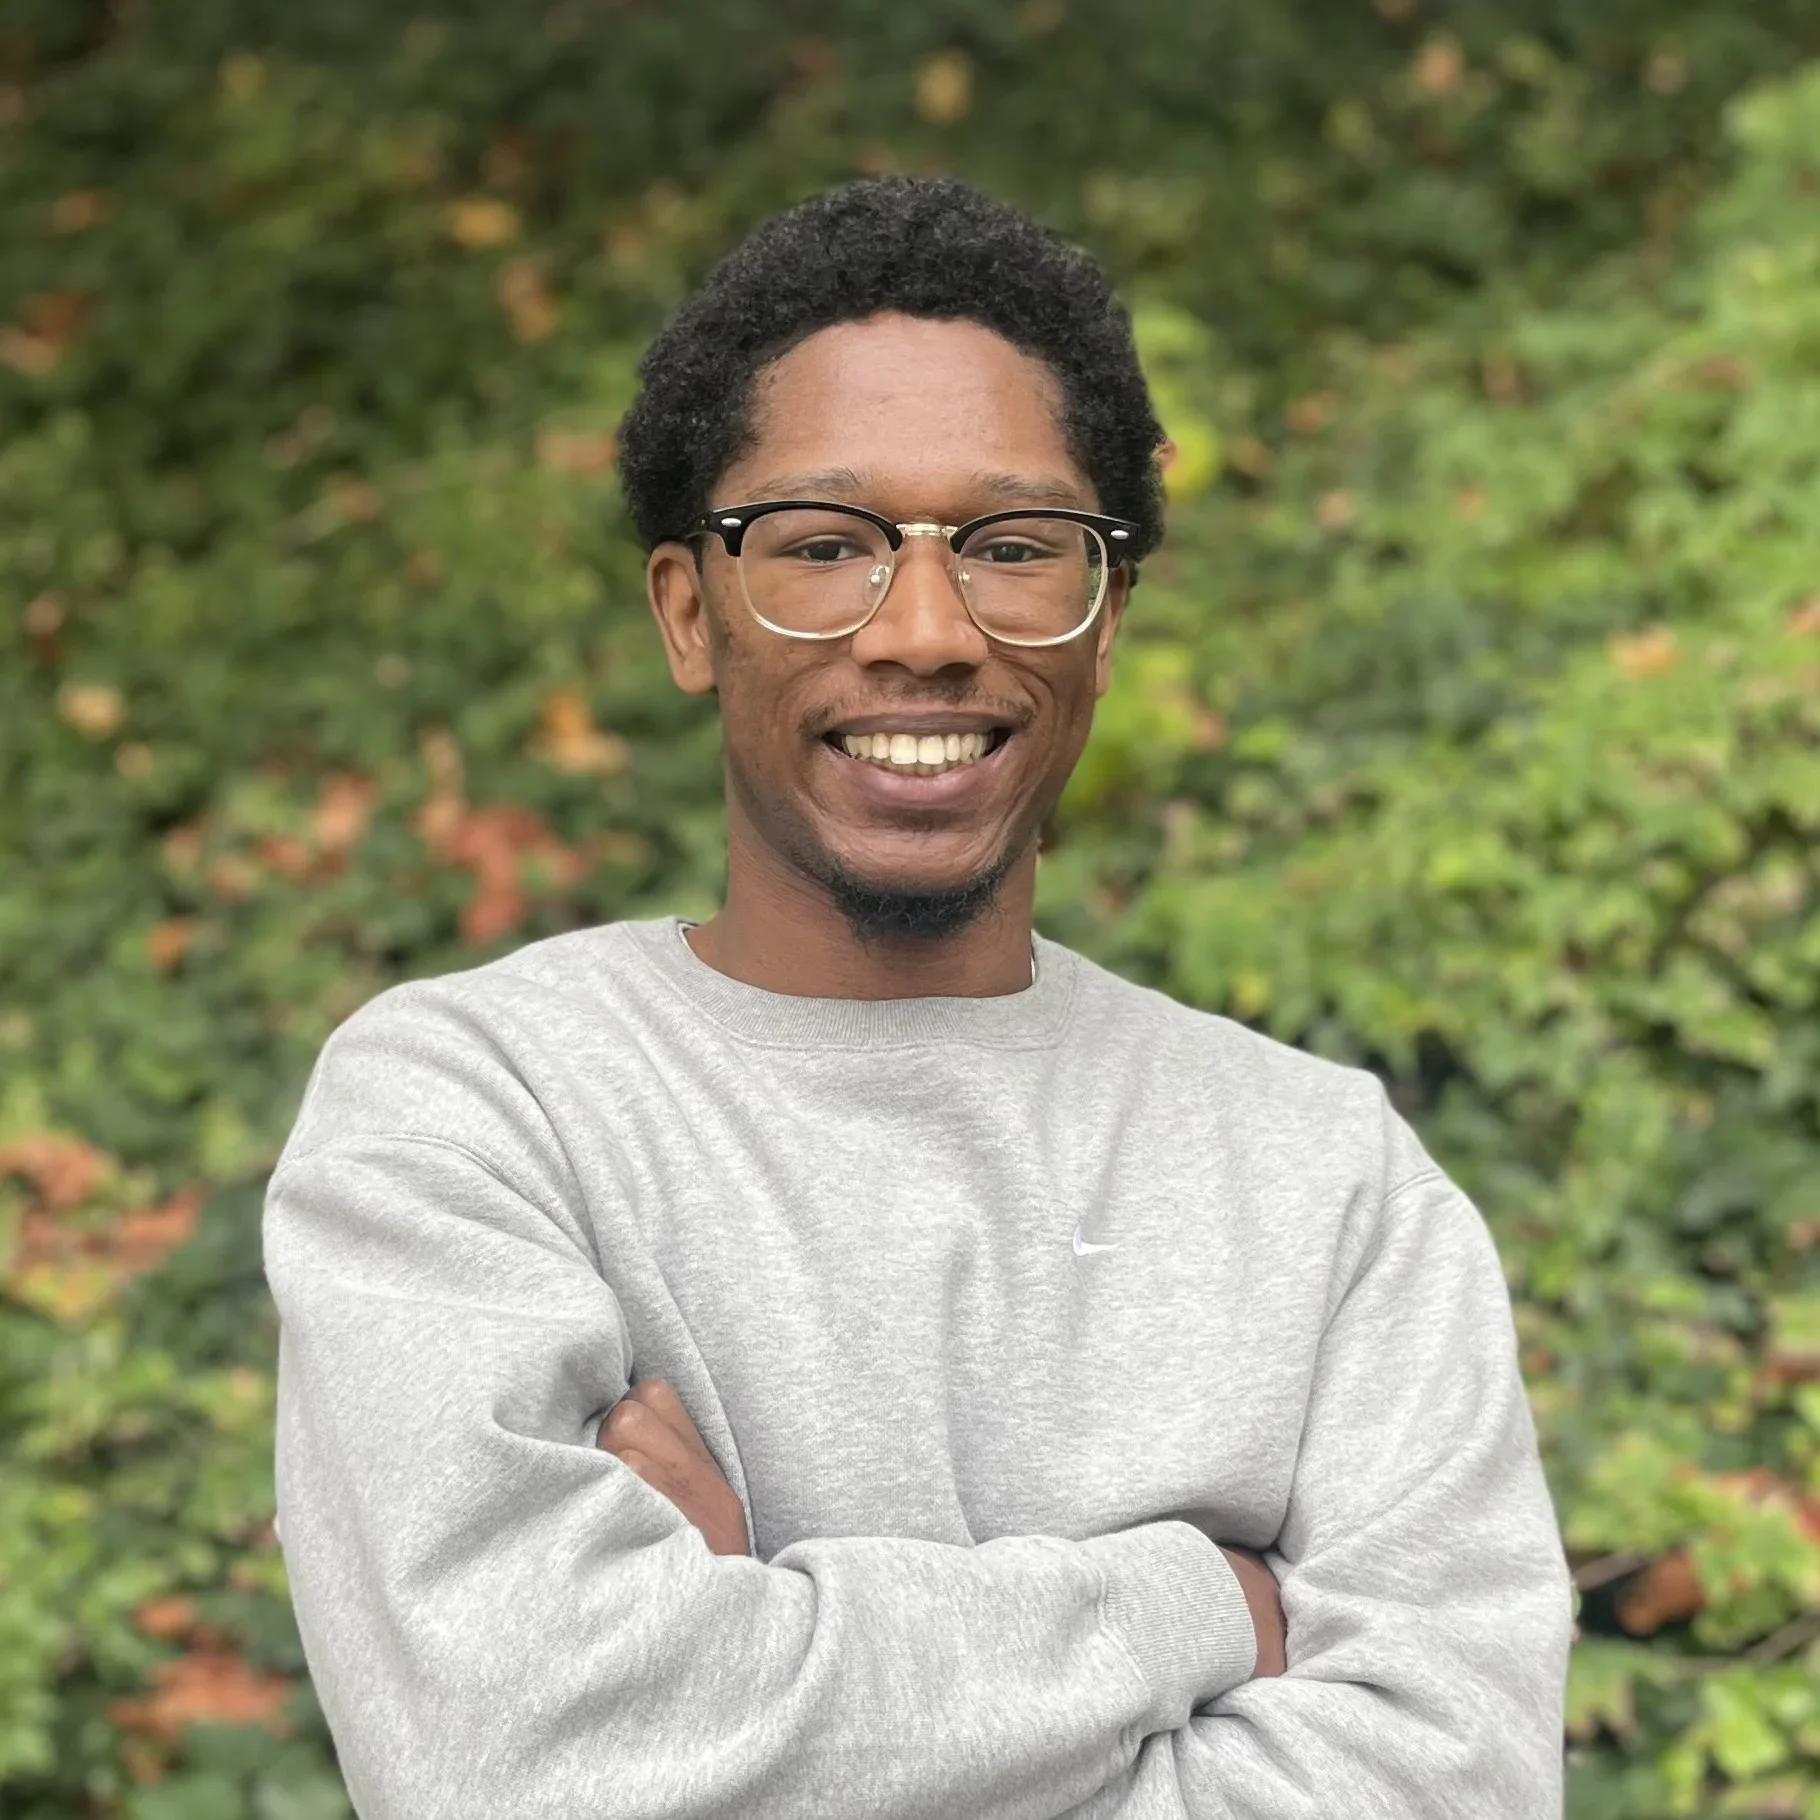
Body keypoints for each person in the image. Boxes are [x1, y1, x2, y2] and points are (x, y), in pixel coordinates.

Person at [264, 175, 1573, 1819]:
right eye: (823, 547)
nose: (931, 632)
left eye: (1020, 550)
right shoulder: (477, 1107)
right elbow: (521, 1758)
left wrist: (751, 1650)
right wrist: (1202, 1606)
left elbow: (1453, 1787)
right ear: (690, 613)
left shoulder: (1328, 1181)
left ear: (1105, 625)